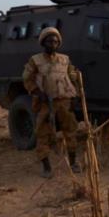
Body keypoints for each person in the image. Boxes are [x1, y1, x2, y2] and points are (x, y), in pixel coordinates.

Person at [23, 27, 82, 178]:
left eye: (55, 41)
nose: (53, 44)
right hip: (45, 103)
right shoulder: (35, 60)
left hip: (64, 101)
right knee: (43, 134)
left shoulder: (65, 59)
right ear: (43, 43)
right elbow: (27, 79)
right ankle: (46, 168)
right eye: (49, 41)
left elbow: (72, 78)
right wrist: (38, 93)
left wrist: (75, 95)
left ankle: (73, 163)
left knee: (70, 131)